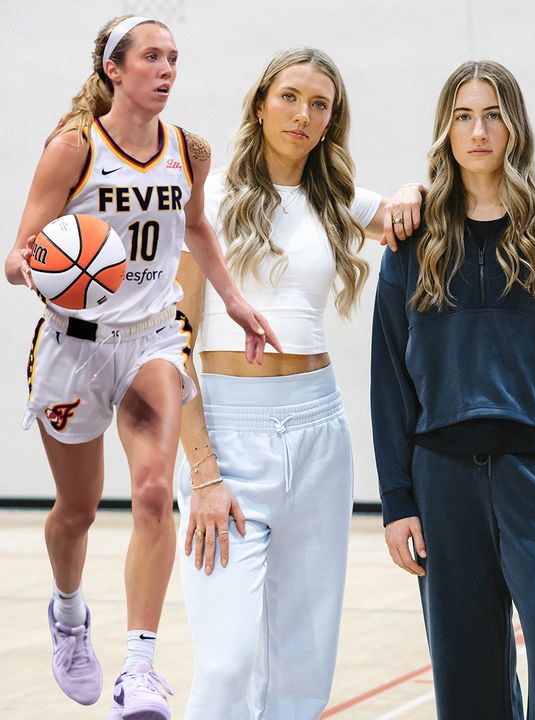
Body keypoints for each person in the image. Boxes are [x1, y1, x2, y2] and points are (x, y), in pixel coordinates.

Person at [4, 15, 276, 719]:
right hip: (74, 345)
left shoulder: (188, 150)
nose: (166, 69)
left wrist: (237, 303)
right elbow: (18, 252)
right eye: (151, 57)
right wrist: (54, 273)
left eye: (174, 58)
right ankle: (68, 616)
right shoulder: (73, 148)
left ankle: (140, 668)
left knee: (155, 492)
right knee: (78, 511)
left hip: (153, 338)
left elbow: (198, 230)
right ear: (114, 70)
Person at [173, 46, 392, 718]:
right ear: (262, 101)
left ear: (331, 121)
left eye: (319, 104)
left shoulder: (339, 202)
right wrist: (203, 470)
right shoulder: (205, 198)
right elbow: (169, 341)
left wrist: (414, 195)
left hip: (318, 432)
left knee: (302, 667)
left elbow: (439, 220)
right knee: (225, 662)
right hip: (227, 443)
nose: (302, 114)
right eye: (290, 96)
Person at [371, 60, 535, 720]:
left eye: (492, 113)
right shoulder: (412, 238)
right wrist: (396, 501)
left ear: (514, 125)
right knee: (467, 666)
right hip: (441, 475)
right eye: (463, 115)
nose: (478, 129)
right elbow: (389, 379)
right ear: (446, 129)